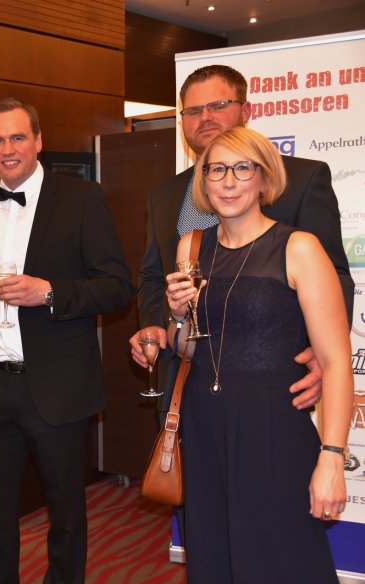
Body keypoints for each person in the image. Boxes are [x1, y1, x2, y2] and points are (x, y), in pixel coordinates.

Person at [165, 127, 350, 584]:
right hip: (205, 428)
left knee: (283, 568)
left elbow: (335, 363)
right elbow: (186, 350)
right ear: (203, 181)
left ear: (265, 179)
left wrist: (332, 457)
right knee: (213, 564)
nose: (228, 181)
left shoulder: (299, 247)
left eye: (242, 168)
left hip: (274, 430)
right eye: (216, 170)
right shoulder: (190, 247)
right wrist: (177, 316)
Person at [0, 98, 134, 584]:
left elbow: (117, 286)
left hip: (56, 387)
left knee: (65, 516)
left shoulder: (81, 198)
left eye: (17, 137)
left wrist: (50, 292)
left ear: (38, 141)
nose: (7, 149)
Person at [131, 64, 352, 414]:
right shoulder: (164, 195)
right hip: (187, 377)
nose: (205, 117)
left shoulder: (302, 179)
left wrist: (322, 351)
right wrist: (155, 327)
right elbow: (153, 275)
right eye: (193, 110)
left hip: (269, 377)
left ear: (246, 111)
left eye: (218, 106)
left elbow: (334, 274)